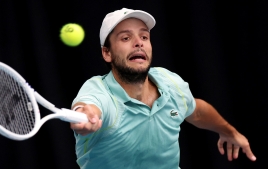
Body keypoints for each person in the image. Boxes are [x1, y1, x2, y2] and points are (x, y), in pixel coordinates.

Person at [70, 8, 256, 169]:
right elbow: (89, 107)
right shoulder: (99, 90)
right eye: (126, 38)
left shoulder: (169, 81)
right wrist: (85, 116)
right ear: (107, 52)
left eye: (144, 36)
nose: (138, 42)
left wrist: (228, 131)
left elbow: (197, 111)